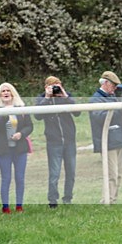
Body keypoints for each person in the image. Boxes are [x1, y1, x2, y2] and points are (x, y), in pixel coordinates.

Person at [35, 76, 79, 208]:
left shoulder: (65, 97)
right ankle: (52, 200)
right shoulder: (42, 98)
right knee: (54, 173)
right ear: (46, 87)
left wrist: (64, 95)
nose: (56, 88)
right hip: (54, 142)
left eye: (58, 85)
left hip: (69, 140)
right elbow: (37, 115)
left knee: (71, 172)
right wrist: (47, 98)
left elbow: (77, 112)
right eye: (53, 86)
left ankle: (68, 198)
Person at [89, 71, 122, 204]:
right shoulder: (95, 99)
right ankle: (106, 200)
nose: (115, 89)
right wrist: (116, 108)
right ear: (106, 83)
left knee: (118, 174)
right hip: (107, 141)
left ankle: (113, 199)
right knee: (111, 174)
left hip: (119, 139)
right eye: (114, 85)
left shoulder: (112, 97)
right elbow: (99, 118)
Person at [0, 83, 33, 213]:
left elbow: (29, 126)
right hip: (4, 149)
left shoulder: (21, 108)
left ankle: (19, 206)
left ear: (13, 93)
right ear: (0, 95)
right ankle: (6, 207)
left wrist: (21, 134)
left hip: (19, 149)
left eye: (8, 90)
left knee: (20, 178)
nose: (6, 93)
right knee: (6, 178)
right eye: (3, 91)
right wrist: (4, 115)